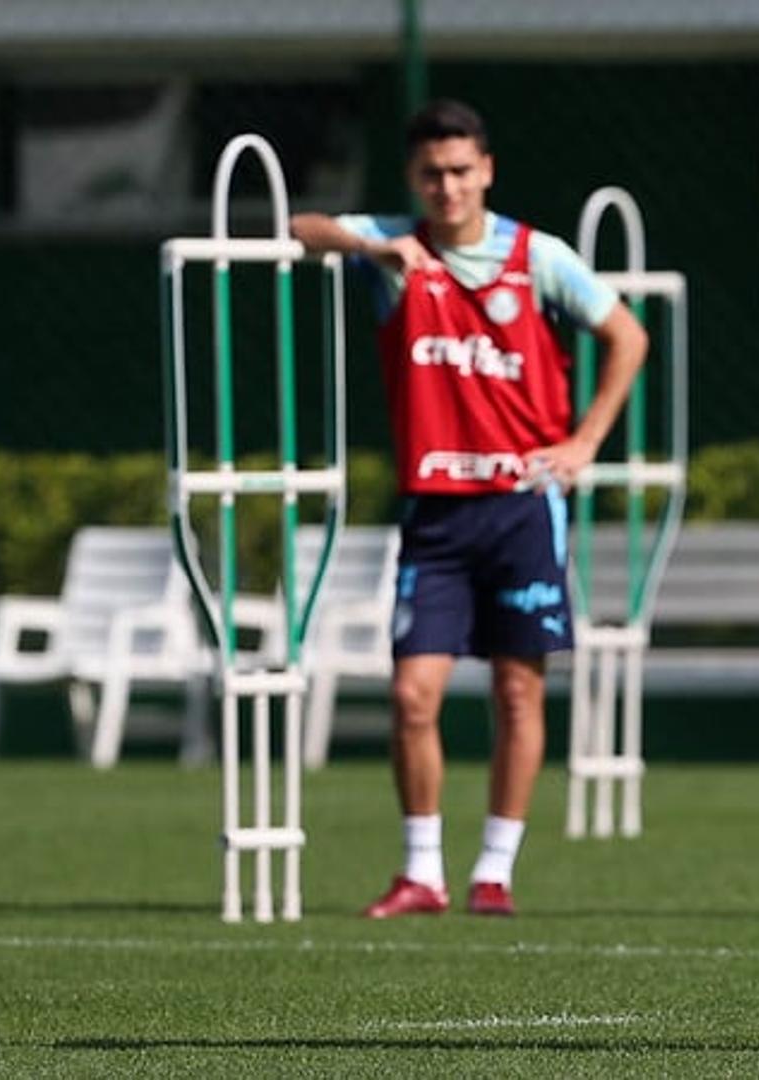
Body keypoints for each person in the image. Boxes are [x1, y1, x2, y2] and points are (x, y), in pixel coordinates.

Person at [291, 99, 648, 919]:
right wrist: (372, 244)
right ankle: (422, 870)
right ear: (413, 179)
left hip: (523, 507)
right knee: (413, 694)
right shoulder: (394, 249)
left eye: (459, 171)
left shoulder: (539, 257)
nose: (446, 187)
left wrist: (585, 441)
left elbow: (628, 336)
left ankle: (495, 869)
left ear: (485, 170)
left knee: (518, 693)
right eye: (430, 174)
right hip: (435, 513)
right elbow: (295, 227)